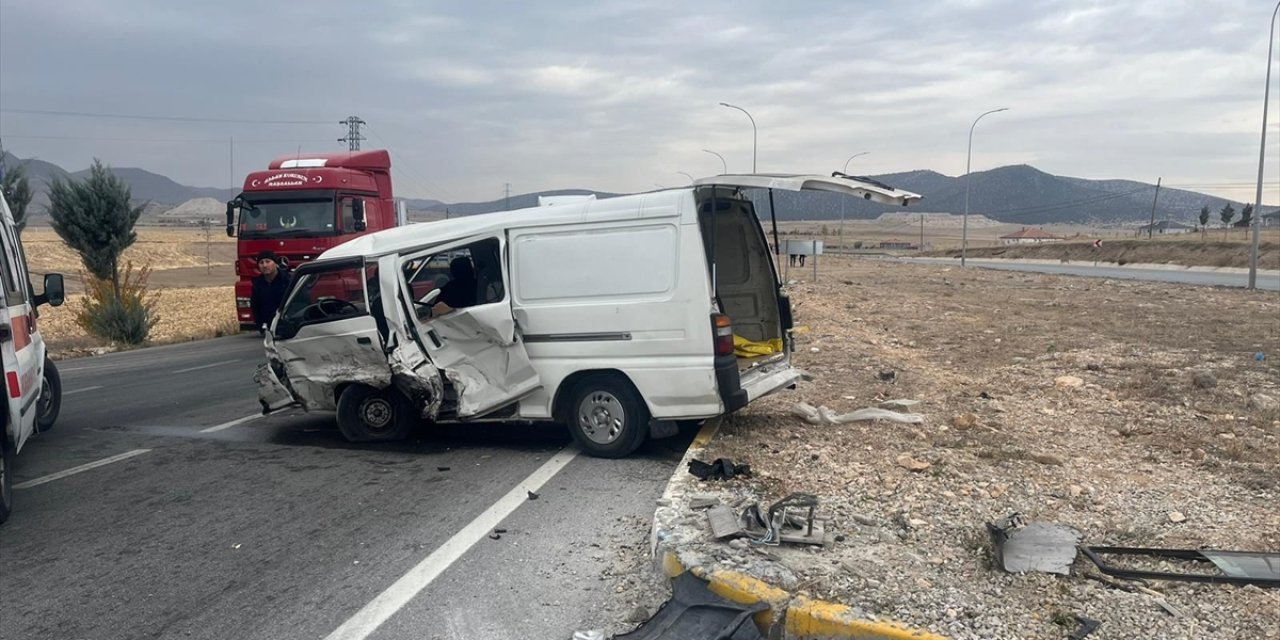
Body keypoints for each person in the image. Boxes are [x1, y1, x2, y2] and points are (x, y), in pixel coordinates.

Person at [251, 250, 291, 336]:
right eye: (261, 263)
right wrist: (261, 326)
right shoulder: (257, 284)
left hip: (287, 327)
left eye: (267, 261)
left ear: (275, 263)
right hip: (268, 330)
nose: (265, 265)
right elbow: (255, 307)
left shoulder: (287, 281)